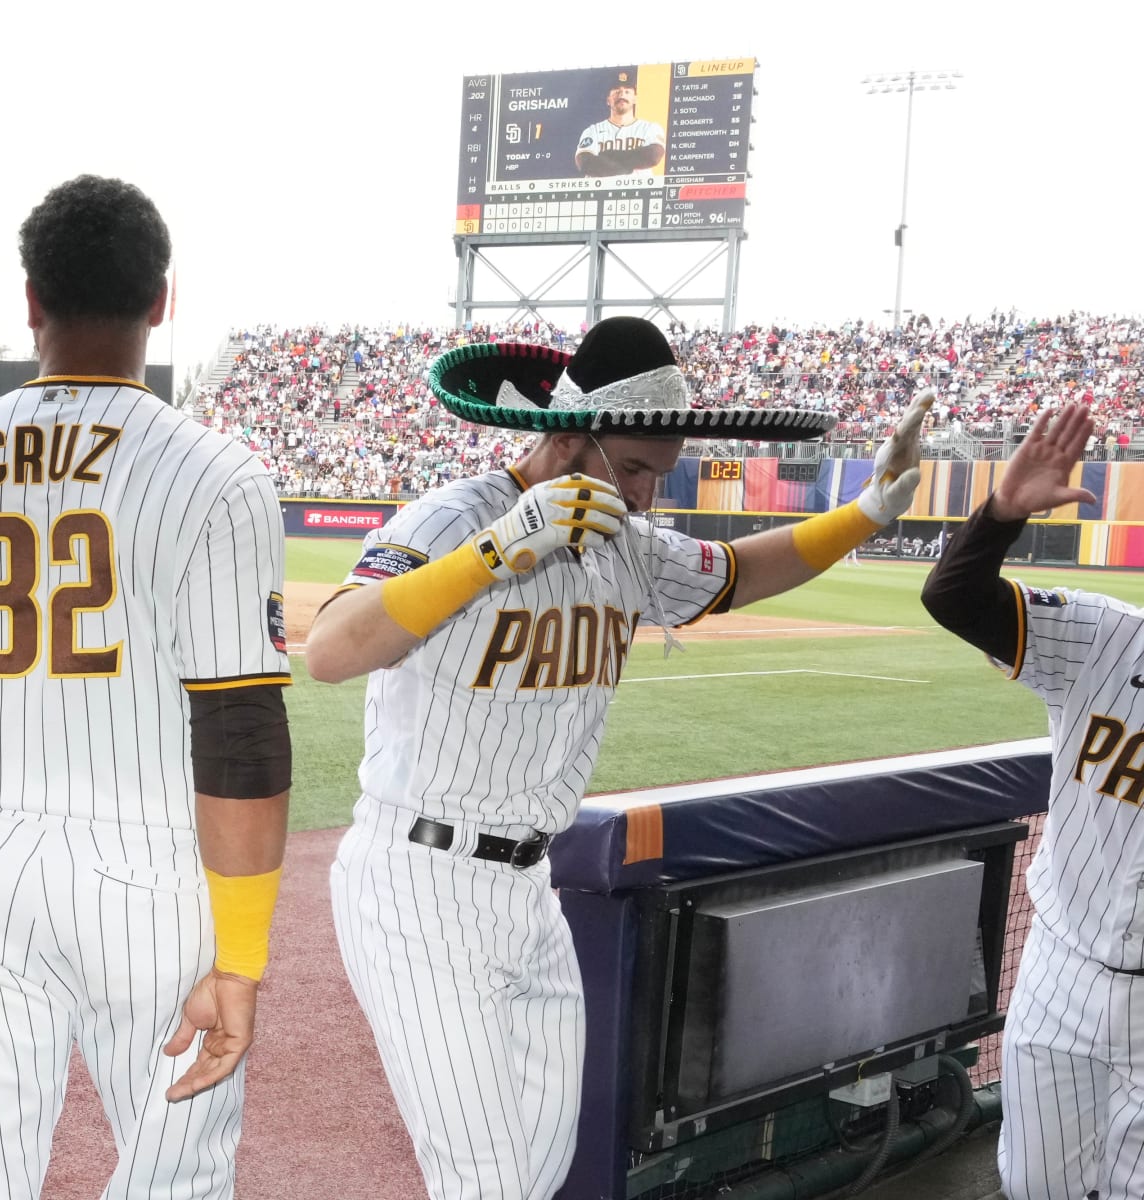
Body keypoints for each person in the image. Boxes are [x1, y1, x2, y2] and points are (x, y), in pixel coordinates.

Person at [306, 316, 933, 1200]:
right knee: (484, 1178)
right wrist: (492, 554)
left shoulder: (624, 545)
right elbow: (332, 648)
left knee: (537, 1168)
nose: (644, 493)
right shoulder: (456, 516)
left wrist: (869, 510)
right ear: (567, 435)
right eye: (633, 467)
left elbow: (737, 570)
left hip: (532, 884)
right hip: (420, 882)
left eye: (656, 472)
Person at [0, 176, 292, 1198]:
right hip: (145, 872)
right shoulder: (216, 471)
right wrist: (242, 956)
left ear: (29, 303)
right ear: (162, 301)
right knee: (171, 1175)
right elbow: (240, 732)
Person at [922, 401, 1140, 1200]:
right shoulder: (1107, 637)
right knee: (1037, 1185)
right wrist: (1001, 515)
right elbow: (954, 597)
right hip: (1065, 974)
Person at [574, 69, 666, 177]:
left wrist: (610, 156)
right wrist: (628, 166)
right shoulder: (592, 131)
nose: (622, 95)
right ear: (608, 100)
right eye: (617, 91)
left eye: (627, 91)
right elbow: (585, 163)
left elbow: (653, 156)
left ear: (635, 99)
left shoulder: (650, 128)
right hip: (600, 193)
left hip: (638, 192)